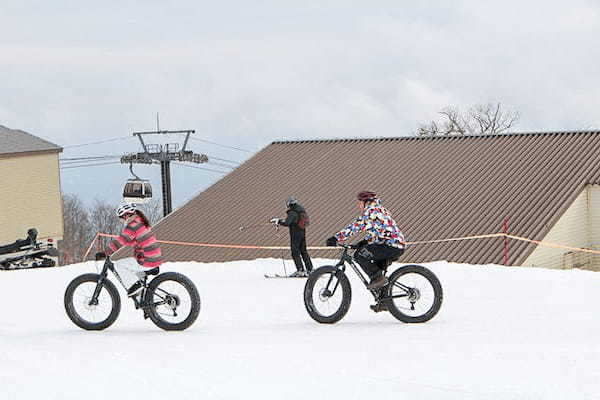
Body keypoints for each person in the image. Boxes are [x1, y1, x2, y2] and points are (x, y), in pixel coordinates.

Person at [326, 191, 405, 290]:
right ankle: (384, 300)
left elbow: (355, 226)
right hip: (395, 245)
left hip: (390, 245)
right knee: (377, 270)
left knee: (359, 255)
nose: (359, 205)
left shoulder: (371, 211)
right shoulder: (379, 209)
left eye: (360, 202)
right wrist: (365, 242)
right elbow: (378, 230)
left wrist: (336, 238)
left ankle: (377, 278)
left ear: (366, 202)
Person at [100, 203, 163, 297]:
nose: (121, 221)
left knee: (118, 265)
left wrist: (105, 252)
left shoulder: (132, 225)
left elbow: (120, 241)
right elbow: (131, 240)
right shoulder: (140, 222)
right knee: (137, 277)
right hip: (154, 257)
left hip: (147, 260)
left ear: (126, 215)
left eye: (121, 218)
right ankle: (147, 303)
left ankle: (135, 286)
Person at [271, 196, 313, 277]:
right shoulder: (301, 209)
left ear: (288, 204)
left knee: (295, 252)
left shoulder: (293, 211)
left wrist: (279, 221)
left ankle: (300, 270)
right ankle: (310, 269)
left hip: (295, 234)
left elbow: (287, 222)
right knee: (303, 251)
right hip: (302, 232)